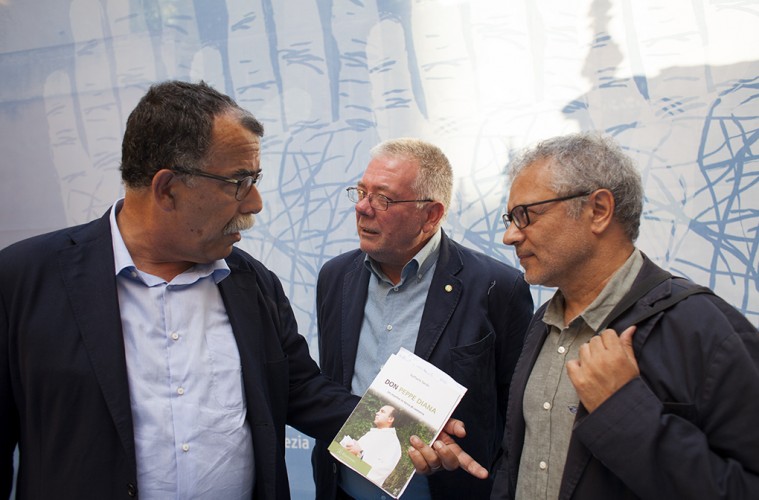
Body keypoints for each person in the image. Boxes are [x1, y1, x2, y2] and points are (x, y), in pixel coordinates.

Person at [0, 81, 476, 500]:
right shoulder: (26, 280)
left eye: (256, 180)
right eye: (238, 182)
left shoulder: (250, 283)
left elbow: (303, 391)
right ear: (167, 189)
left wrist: (413, 428)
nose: (256, 202)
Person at [490, 132, 759, 499]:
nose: (509, 236)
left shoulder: (704, 329)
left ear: (598, 210)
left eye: (526, 215)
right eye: (510, 217)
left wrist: (624, 412)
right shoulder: (542, 323)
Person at [312, 137, 534, 499]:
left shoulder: (496, 287)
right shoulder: (336, 277)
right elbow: (331, 384)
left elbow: (516, 414)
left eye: (383, 198)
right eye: (361, 192)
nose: (363, 208)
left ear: (431, 215)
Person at [343, 405, 403, 487]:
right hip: (344, 479)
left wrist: (360, 453)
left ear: (391, 419)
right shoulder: (372, 433)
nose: (377, 413)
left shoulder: (393, 443)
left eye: (382, 411)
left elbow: (380, 472)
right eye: (379, 410)